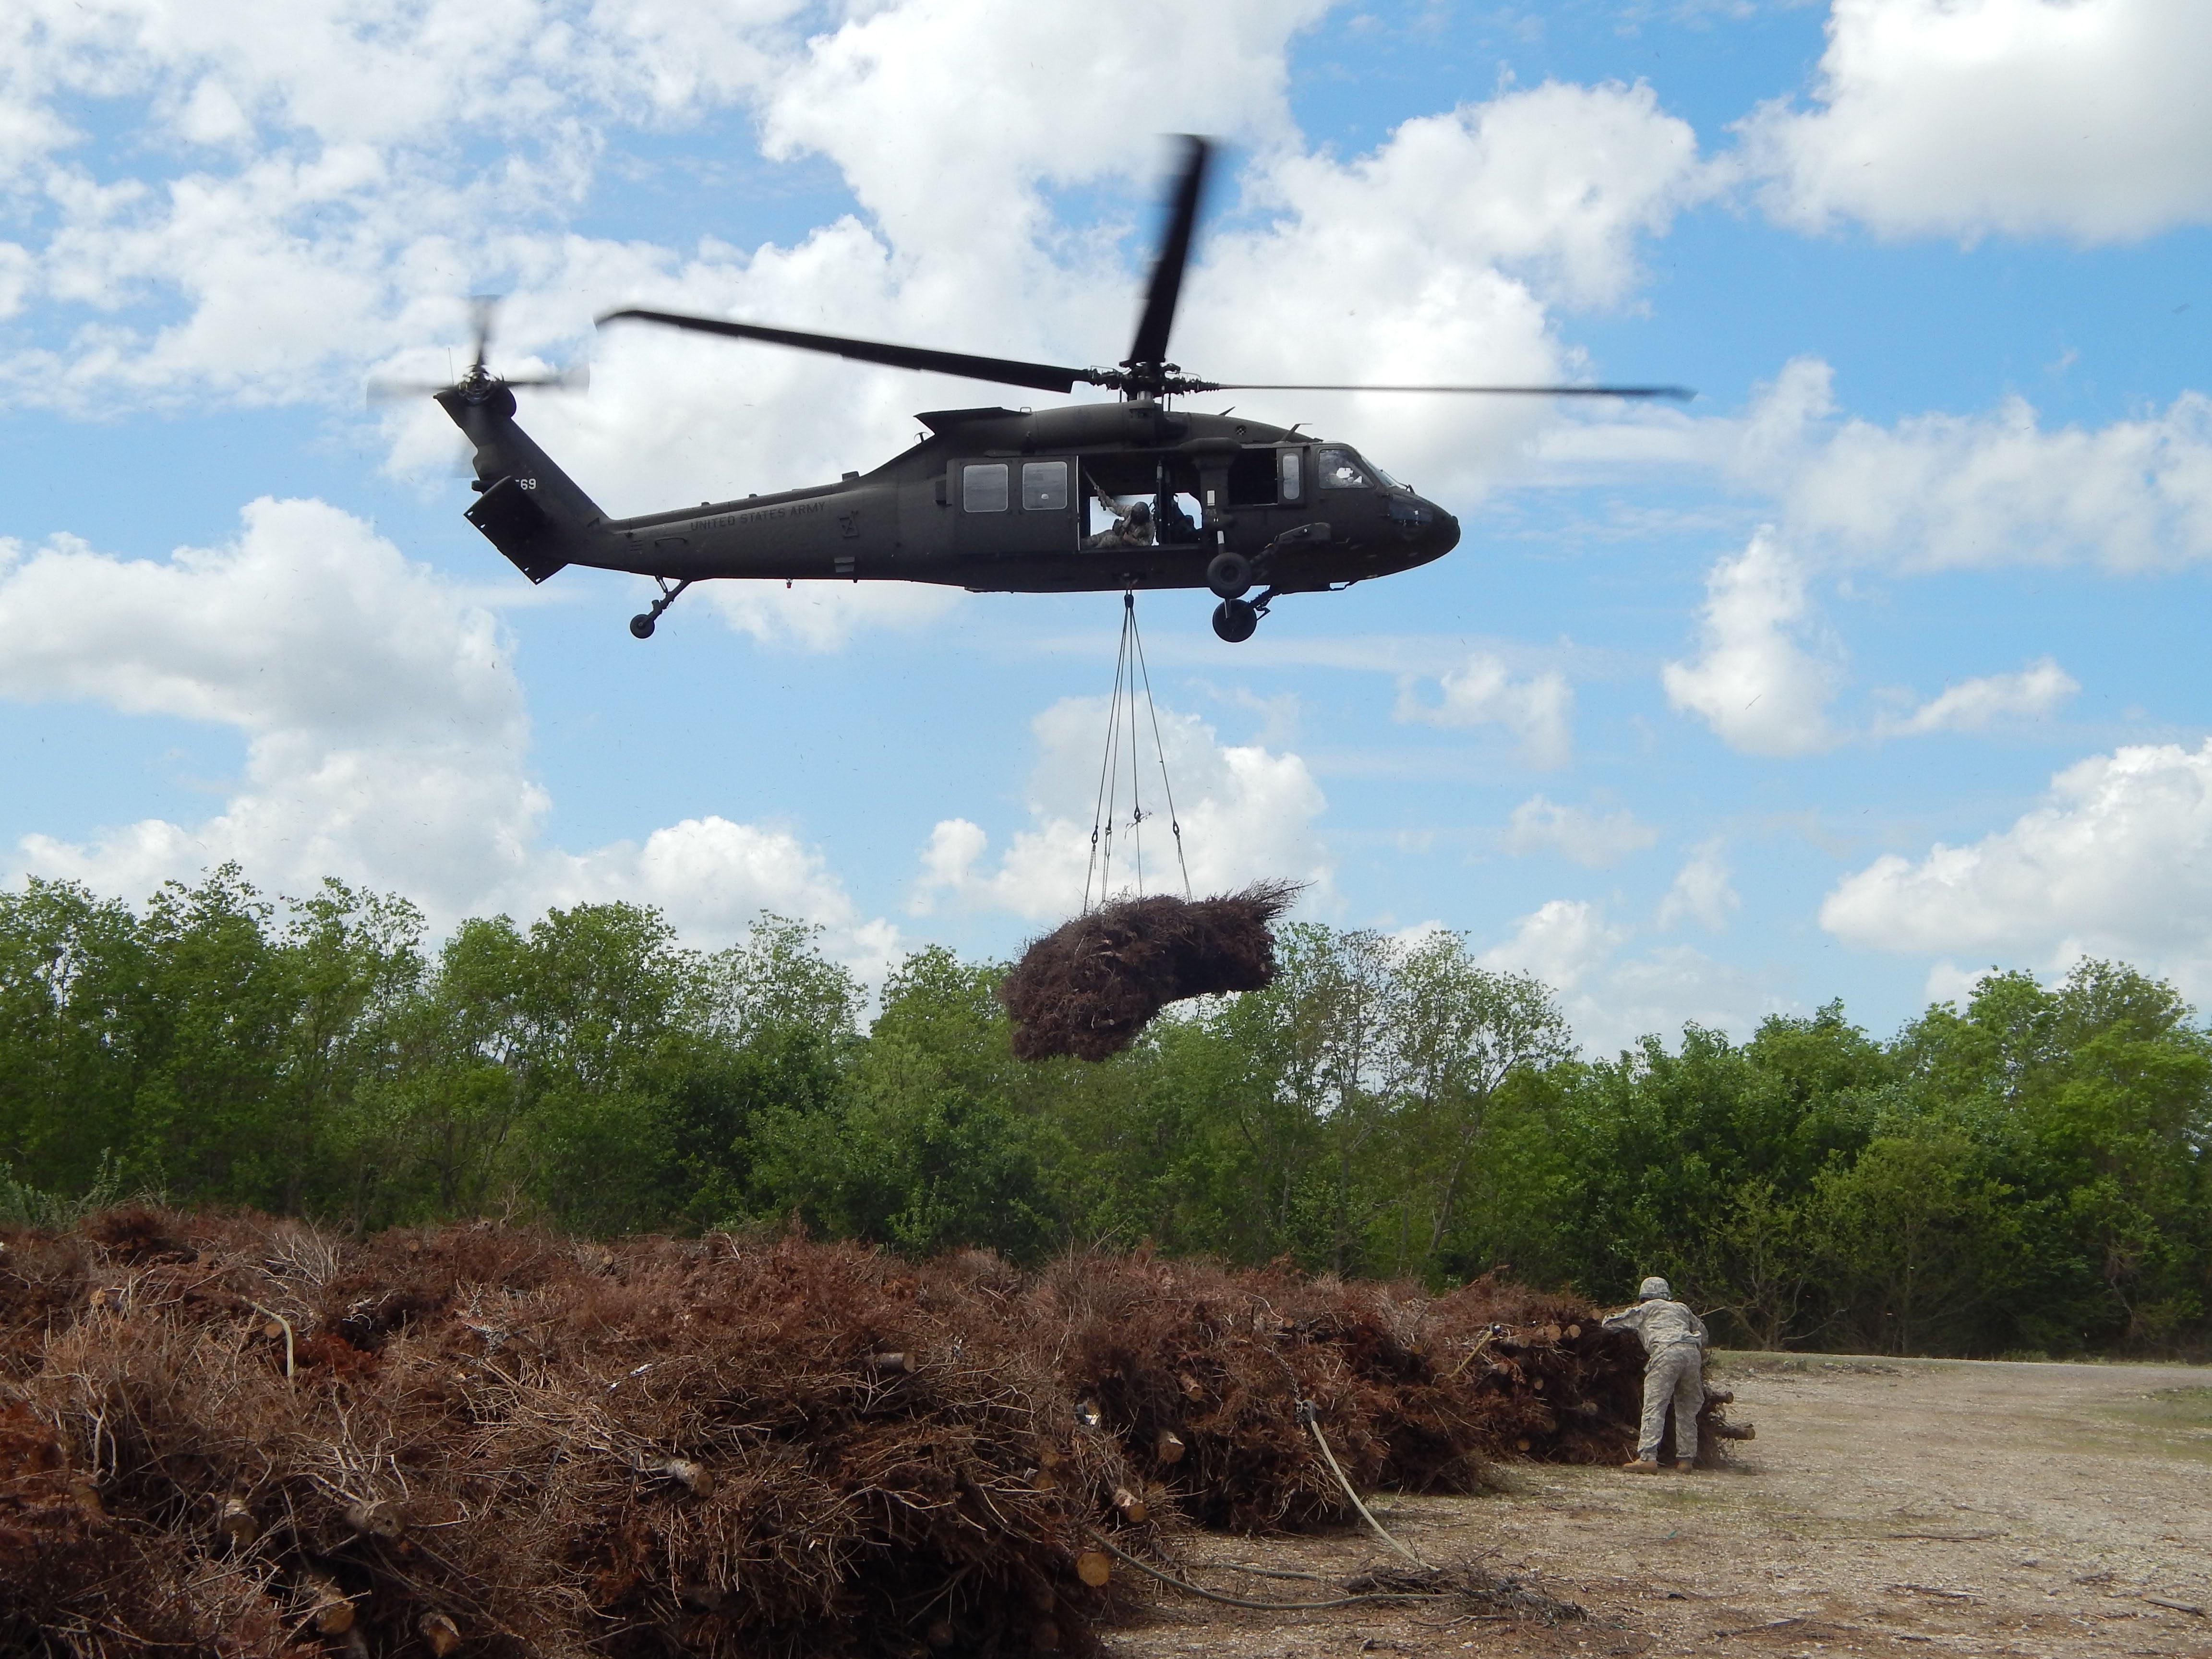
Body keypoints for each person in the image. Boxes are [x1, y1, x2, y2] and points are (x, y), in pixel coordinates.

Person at [1602, 1275, 1709, 1473]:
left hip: (1666, 1353)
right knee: (1687, 1409)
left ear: (1644, 1297)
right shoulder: (1682, 1308)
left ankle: (1648, 1458)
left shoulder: (1647, 1308)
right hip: (1692, 1354)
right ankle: (1686, 1460)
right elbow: (1704, 1332)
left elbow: (1611, 1324)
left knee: (1655, 1405)